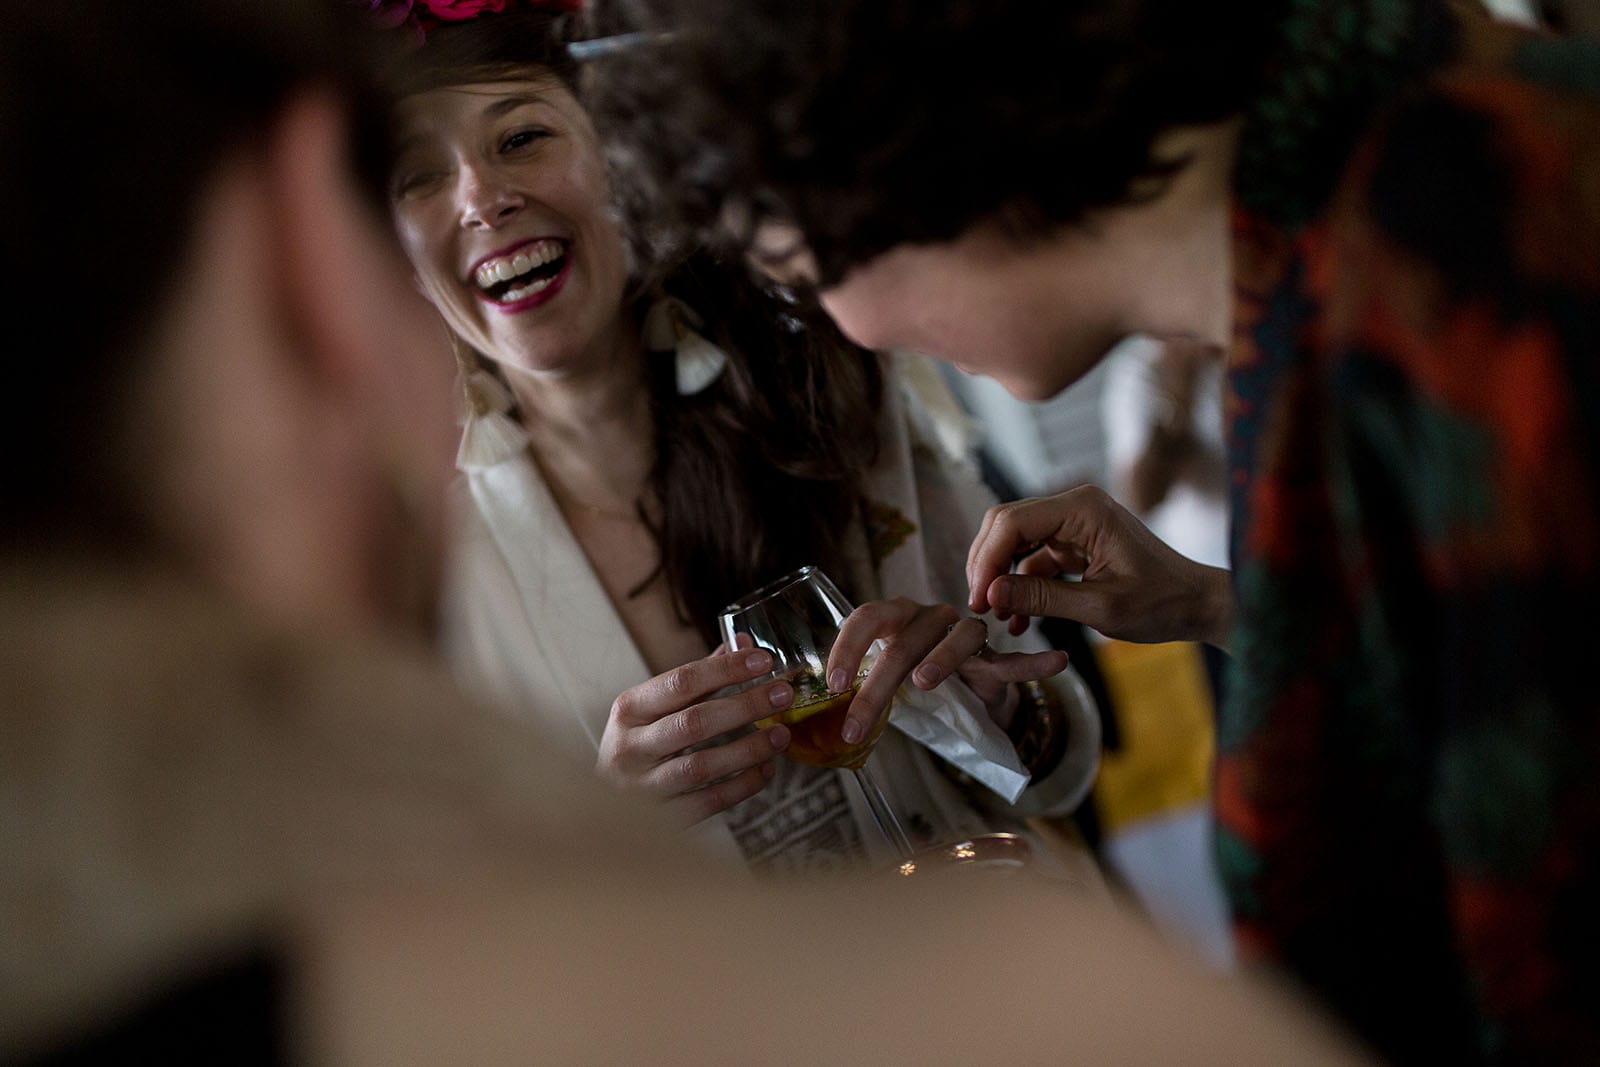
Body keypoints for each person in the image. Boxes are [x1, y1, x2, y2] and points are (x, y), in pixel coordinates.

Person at [580, 0, 1600, 1060]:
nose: (853, 332)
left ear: (892, 144)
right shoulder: (1350, 191)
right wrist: (1214, 600)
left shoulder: (1462, 244)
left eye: (805, 279)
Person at [371, 2, 1102, 879]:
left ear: (620, 153)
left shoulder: (824, 385)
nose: (483, 198)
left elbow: (1059, 767)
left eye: (521, 137)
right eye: (417, 173)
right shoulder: (422, 575)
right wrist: (607, 837)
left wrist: (1000, 704)